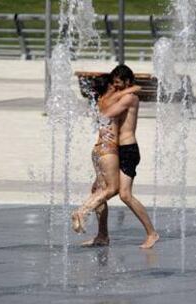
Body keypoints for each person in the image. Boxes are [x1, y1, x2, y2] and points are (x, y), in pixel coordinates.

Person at [74, 65, 159, 249]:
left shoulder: (130, 97)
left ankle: (152, 233)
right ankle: (102, 235)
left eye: (120, 84)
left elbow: (105, 114)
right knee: (98, 189)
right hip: (114, 149)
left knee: (125, 195)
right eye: (114, 84)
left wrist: (127, 90)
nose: (117, 88)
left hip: (128, 149)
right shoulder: (124, 94)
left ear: (128, 82)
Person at [71, 74, 140, 238]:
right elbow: (136, 89)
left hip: (98, 149)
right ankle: (81, 211)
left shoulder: (101, 99)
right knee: (112, 189)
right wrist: (127, 87)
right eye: (113, 84)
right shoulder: (113, 97)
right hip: (108, 150)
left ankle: (102, 236)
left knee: (99, 190)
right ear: (109, 87)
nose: (116, 87)